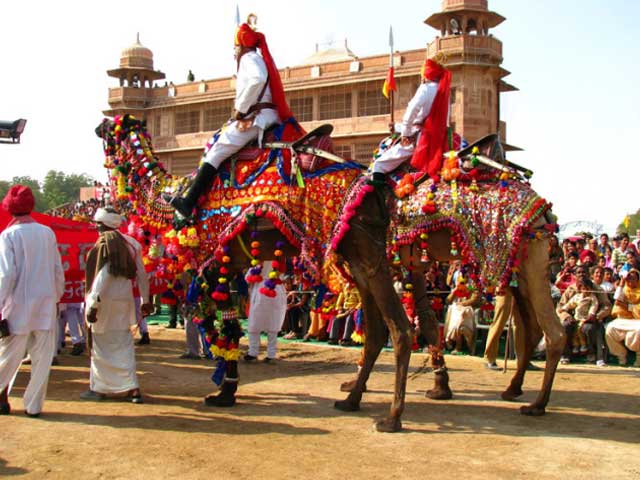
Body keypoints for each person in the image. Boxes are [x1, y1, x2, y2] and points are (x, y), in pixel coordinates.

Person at [166, 16, 293, 218]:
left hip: (256, 118)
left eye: (235, 47)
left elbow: (257, 80)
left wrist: (240, 110)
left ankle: (189, 203)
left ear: (241, 46)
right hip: (265, 115)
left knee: (216, 151)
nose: (233, 51)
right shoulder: (257, 59)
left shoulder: (249, 59)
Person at [0, 185, 65, 417]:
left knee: (7, 356)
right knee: (41, 359)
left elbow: (5, 275)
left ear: (9, 208)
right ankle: (34, 406)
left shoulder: (8, 235)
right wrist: (57, 298)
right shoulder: (47, 233)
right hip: (46, 305)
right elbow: (58, 269)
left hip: (17, 306)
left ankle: (2, 399)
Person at [80, 207, 151, 403]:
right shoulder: (133, 244)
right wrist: (145, 300)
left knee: (100, 345)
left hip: (104, 301)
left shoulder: (105, 242)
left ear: (102, 225)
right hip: (124, 301)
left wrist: (93, 302)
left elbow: (103, 274)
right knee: (123, 343)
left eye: (97, 225)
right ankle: (132, 388)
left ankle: (99, 389)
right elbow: (142, 275)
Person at [371, 56, 452, 183]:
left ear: (427, 74)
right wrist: (398, 127)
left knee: (379, 165)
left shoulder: (425, 89)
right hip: (441, 137)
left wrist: (405, 134)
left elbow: (412, 112)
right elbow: (430, 119)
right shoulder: (444, 92)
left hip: (421, 139)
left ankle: (379, 201)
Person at [556, 265, 611, 365]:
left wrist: (596, 316)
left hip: (590, 319)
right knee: (566, 326)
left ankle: (591, 354)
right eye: (579, 273)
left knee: (588, 328)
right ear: (574, 275)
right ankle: (565, 355)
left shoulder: (596, 289)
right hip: (572, 318)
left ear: (588, 274)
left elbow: (607, 306)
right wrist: (566, 316)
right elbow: (561, 307)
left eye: (584, 272)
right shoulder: (570, 289)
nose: (581, 274)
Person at [244, 261, 286, 363]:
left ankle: (253, 353)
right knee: (273, 324)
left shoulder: (259, 261)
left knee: (255, 324)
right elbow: (283, 276)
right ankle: (271, 355)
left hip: (262, 291)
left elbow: (248, 278)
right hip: (276, 291)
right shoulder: (279, 259)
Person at [606, 269, 640, 366]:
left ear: (638, 280)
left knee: (637, 332)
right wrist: (621, 283)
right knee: (610, 329)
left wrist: (626, 306)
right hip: (623, 319)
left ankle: (638, 357)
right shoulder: (624, 289)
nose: (630, 281)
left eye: (633, 279)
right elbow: (617, 299)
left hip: (637, 320)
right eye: (629, 279)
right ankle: (621, 356)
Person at [559, 277, 599, 355]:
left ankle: (583, 345)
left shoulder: (592, 298)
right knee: (574, 333)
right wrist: (564, 309)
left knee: (580, 331)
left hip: (584, 318)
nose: (586, 290)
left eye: (588, 288)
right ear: (581, 288)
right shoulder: (577, 296)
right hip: (576, 317)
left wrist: (591, 314)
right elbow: (571, 304)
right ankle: (575, 346)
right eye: (584, 288)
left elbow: (594, 306)